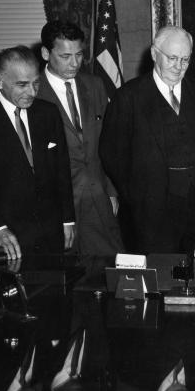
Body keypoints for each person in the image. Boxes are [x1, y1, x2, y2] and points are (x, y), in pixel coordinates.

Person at [99, 26, 195, 254]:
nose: (179, 66)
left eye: (185, 59)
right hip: (152, 210)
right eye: (172, 58)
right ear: (154, 54)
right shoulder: (128, 97)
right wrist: (138, 192)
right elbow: (112, 154)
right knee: (163, 273)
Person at [0, 46, 74, 259]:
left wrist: (67, 220)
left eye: (36, 83)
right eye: (21, 85)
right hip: (4, 237)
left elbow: (61, 170)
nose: (32, 92)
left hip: (50, 233)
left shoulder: (48, 113)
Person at [36, 21, 124, 256]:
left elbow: (108, 143)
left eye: (79, 54)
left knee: (110, 272)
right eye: (65, 56)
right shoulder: (33, 93)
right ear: (46, 53)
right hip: (57, 206)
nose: (75, 63)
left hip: (99, 198)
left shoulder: (94, 85)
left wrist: (112, 190)